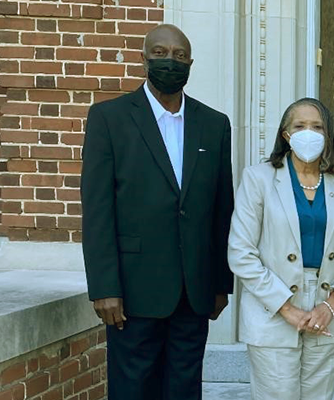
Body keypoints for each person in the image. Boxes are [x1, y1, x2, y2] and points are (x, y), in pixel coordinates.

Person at [81, 24, 234, 399]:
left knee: (184, 390)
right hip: (132, 295)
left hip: (193, 293)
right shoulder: (109, 119)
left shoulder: (214, 125)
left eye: (180, 55)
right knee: (132, 390)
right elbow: (97, 210)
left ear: (191, 63)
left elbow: (221, 208)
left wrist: (220, 282)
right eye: (161, 53)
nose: (171, 61)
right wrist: (104, 288)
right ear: (144, 58)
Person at [227, 98, 334, 399]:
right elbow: (241, 252)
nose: (309, 132)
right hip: (272, 307)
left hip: (329, 309)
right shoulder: (258, 178)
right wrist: (286, 308)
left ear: (328, 134)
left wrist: (331, 304)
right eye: (300, 126)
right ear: (285, 134)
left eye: (317, 126)